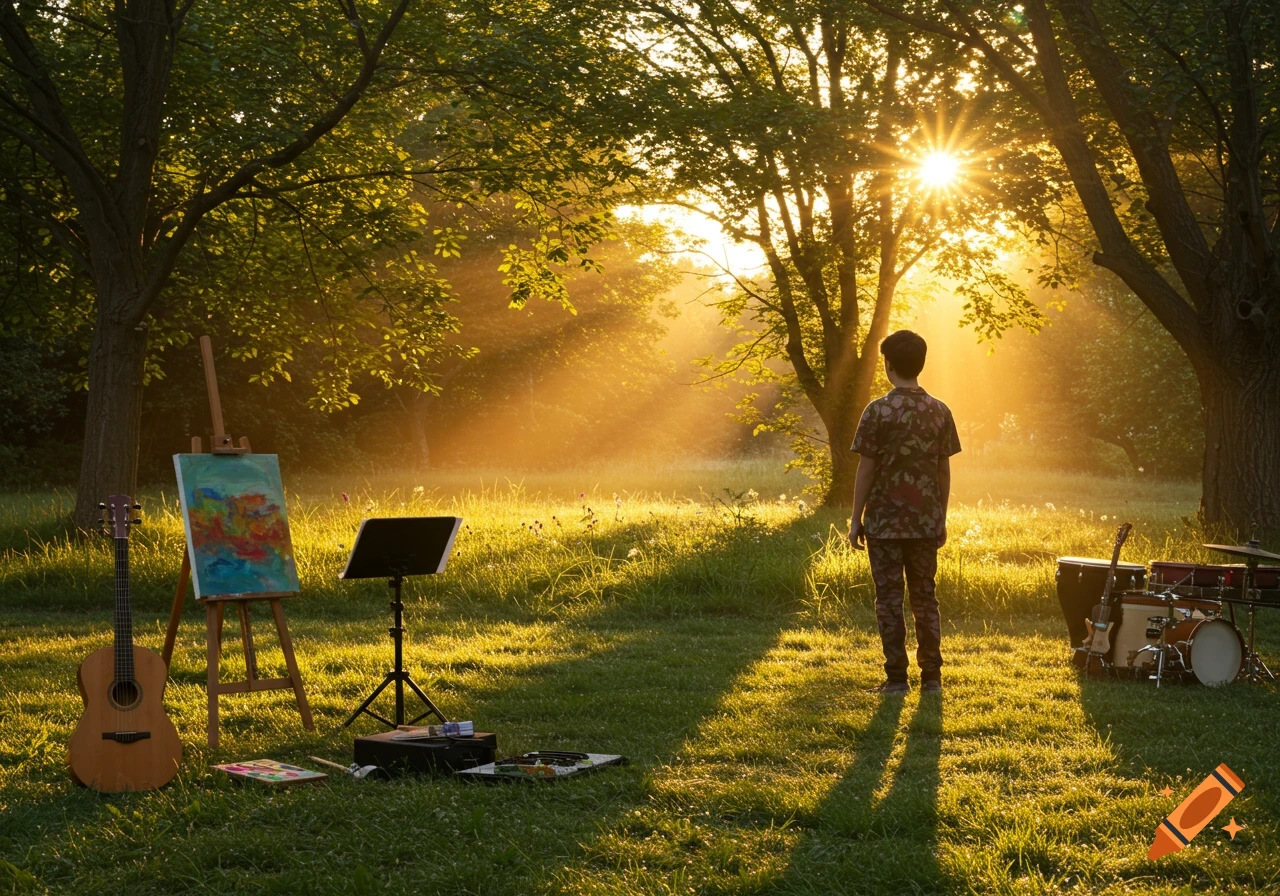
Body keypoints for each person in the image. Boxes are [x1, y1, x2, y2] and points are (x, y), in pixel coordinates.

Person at [849, 330, 961, 694]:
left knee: (889, 600)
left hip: (883, 523)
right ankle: (932, 679)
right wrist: (940, 517)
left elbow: (866, 469)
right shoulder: (940, 411)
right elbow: (943, 471)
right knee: (925, 598)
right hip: (926, 522)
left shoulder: (877, 411)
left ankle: (896, 679)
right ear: (921, 363)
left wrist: (855, 518)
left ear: (889, 364)